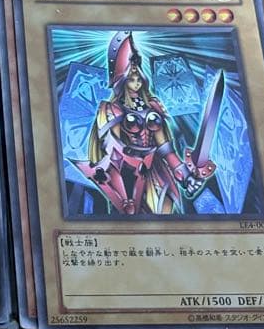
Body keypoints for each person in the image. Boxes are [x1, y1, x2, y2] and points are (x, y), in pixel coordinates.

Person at [72, 31, 209, 215]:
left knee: (164, 211)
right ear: (122, 81)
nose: (136, 83)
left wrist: (185, 175)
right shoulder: (112, 109)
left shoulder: (153, 106)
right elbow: (113, 152)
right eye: (131, 79)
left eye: (138, 79)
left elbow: (165, 148)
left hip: (155, 170)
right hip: (126, 174)